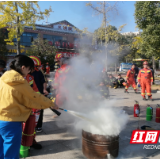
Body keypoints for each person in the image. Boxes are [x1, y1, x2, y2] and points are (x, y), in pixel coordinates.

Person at [0, 55, 58, 159]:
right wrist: (51, 103)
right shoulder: (20, 83)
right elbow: (34, 97)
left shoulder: (3, 78)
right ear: (23, 67)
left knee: (1, 150)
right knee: (11, 153)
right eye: (29, 69)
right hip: (11, 122)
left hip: (1, 119)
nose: (29, 71)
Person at [30, 58, 49, 133]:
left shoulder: (39, 72)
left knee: (40, 111)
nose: (38, 68)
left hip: (40, 94)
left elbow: (44, 81)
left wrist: (44, 89)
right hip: (30, 96)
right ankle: (30, 126)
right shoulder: (26, 74)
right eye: (37, 66)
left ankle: (39, 126)